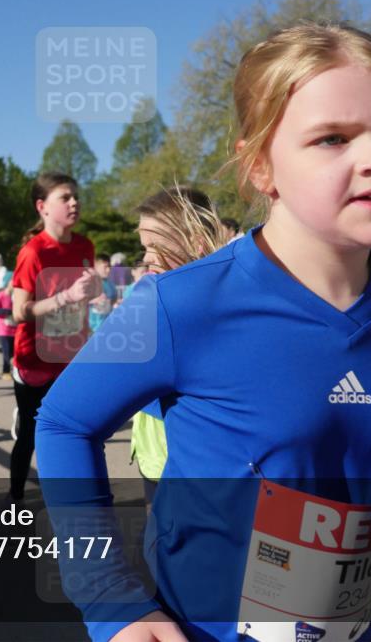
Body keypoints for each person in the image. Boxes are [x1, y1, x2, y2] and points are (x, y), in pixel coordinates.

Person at [35, 24, 371, 642]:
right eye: (332, 138)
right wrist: (109, 600)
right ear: (260, 166)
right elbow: (63, 423)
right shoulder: (178, 304)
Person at [129, 187, 225, 509]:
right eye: (144, 248)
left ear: (195, 241)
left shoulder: (223, 304)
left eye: (154, 247)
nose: (146, 259)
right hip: (153, 457)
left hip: (195, 469)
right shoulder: (152, 299)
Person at [9, 171, 99, 502]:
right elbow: (19, 311)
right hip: (35, 359)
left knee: (72, 431)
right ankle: (14, 495)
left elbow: (87, 294)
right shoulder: (33, 252)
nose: (74, 202)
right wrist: (66, 298)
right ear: (42, 206)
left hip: (72, 355)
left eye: (76, 196)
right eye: (65, 197)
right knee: (31, 436)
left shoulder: (85, 245)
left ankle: (67, 497)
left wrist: (95, 290)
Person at [88, 255, 118, 333]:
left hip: (107, 326)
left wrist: (116, 302)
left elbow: (114, 299)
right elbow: (79, 302)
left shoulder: (110, 283)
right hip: (92, 328)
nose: (108, 270)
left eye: (109, 267)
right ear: (95, 266)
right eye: (105, 267)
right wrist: (93, 300)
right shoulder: (89, 282)